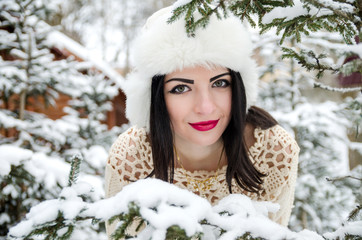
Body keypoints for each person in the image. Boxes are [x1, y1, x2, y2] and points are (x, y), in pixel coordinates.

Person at [104, 5, 299, 238]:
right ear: (156, 98)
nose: (205, 107)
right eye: (181, 88)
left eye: (219, 83)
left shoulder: (274, 151)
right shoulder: (130, 158)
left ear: (238, 86)